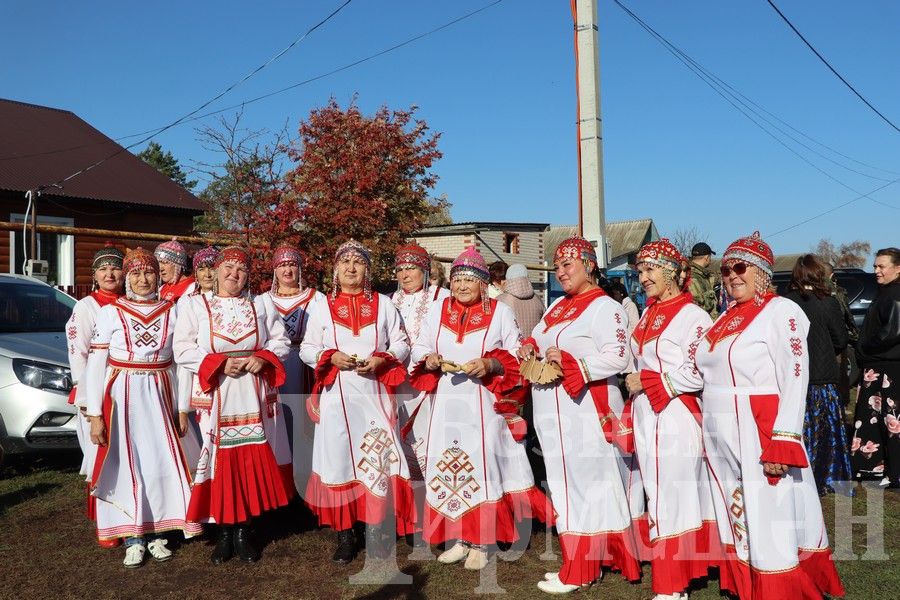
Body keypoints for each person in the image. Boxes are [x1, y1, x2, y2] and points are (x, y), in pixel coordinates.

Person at [662, 232, 843, 599]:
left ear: (761, 271)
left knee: (768, 510)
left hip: (759, 425)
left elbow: (795, 376)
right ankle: (750, 585)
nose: (731, 275)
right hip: (720, 427)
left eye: (740, 267)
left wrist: (784, 439)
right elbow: (702, 371)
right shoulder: (724, 317)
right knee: (738, 510)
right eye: (726, 269)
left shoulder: (782, 311)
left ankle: (778, 588)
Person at [407, 247, 550, 571]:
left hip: (482, 403)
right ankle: (458, 537)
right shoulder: (438, 309)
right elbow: (421, 345)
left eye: (469, 280)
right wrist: (429, 358)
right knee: (447, 463)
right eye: (457, 279)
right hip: (446, 401)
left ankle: (483, 542)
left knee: (480, 466)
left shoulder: (499, 312)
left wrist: (489, 363)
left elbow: (514, 353)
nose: (461, 286)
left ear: (484, 284)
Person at [518, 236, 642, 594]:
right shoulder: (557, 307)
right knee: (564, 485)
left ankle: (584, 567)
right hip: (552, 412)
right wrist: (529, 345)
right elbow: (540, 339)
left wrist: (574, 362)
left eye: (567, 264)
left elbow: (619, 356)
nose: (561, 271)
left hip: (585, 411)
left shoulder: (606, 307)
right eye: (557, 266)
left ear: (589, 265)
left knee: (588, 485)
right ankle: (582, 560)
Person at [82, 247, 201, 567]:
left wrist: (183, 408)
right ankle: (133, 538)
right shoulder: (111, 312)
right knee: (127, 465)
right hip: (123, 396)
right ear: (127, 278)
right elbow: (96, 365)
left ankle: (157, 533)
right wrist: (95, 414)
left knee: (158, 463)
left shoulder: (172, 311)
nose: (143, 278)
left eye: (149, 272)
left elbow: (183, 364)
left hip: (161, 394)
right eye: (135, 273)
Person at [174, 246, 294, 564]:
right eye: (227, 268)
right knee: (220, 462)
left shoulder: (262, 304)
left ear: (248, 275)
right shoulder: (195, 305)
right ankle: (224, 533)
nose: (233, 275)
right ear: (215, 271)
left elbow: (280, 341)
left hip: (253, 393)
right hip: (216, 394)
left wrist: (261, 357)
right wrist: (218, 364)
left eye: (240, 270)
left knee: (249, 461)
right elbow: (182, 346)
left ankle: (244, 531)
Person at [300, 240, 414, 565]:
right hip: (337, 396)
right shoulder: (322, 306)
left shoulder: (384, 304)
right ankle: (345, 534)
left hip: (374, 395)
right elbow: (307, 348)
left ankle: (375, 530)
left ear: (368, 269)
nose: (351, 268)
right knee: (340, 460)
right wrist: (330, 356)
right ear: (335, 269)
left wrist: (384, 359)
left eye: (358, 262)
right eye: (345, 262)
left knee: (377, 459)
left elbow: (403, 343)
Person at [622, 239, 717, 600]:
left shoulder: (694, 317)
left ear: (673, 272)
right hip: (649, 412)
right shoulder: (648, 313)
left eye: (650, 270)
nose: (643, 277)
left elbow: (699, 373)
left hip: (676, 414)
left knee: (671, 495)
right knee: (658, 493)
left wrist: (648, 380)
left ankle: (673, 584)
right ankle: (675, 574)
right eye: (641, 271)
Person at [66, 242, 124, 548]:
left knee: (123, 457)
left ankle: (126, 517)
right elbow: (79, 354)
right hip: (96, 393)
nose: (110, 273)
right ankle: (105, 523)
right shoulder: (86, 307)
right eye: (103, 268)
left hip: (124, 391)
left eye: (114, 267)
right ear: (94, 275)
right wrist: (89, 399)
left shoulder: (129, 302)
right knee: (98, 455)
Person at [391, 244, 450, 531]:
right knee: (407, 446)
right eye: (400, 269)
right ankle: (412, 515)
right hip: (400, 385)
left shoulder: (443, 298)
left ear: (425, 270)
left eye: (411, 268)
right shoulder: (390, 301)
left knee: (434, 444)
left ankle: (440, 513)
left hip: (433, 383)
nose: (405, 274)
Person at [783, 255, 851, 495]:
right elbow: (841, 339)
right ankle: (827, 476)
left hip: (792, 376)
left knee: (797, 426)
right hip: (822, 376)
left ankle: (797, 474)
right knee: (826, 431)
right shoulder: (827, 302)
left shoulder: (784, 303)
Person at [265, 243, 326, 496]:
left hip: (306, 366)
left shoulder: (316, 298)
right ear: (275, 271)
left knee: (305, 423)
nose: (287, 270)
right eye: (282, 265)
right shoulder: (263, 300)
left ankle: (307, 483)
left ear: (300, 269)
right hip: (274, 365)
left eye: (292, 265)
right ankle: (280, 485)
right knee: (278, 422)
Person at [851, 247, 900, 488]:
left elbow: (892, 332)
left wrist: (864, 347)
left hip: (888, 369)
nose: (876, 271)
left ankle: (895, 472)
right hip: (877, 367)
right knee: (875, 420)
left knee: (891, 421)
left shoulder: (896, 294)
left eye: (882, 266)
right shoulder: (885, 292)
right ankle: (876, 468)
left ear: (898, 268)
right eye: (875, 266)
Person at [497, 263, 545, 337]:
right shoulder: (538, 300)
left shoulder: (500, 300)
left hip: (510, 347)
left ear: (508, 279)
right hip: (534, 345)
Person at [155, 237, 195, 302]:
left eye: (165, 263)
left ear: (178, 265)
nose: (160, 268)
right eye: (158, 263)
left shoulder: (192, 287)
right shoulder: (161, 288)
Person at [689, 242, 718, 319]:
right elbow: (697, 306)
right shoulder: (693, 277)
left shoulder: (701, 275)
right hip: (701, 324)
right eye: (710, 257)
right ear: (707, 257)